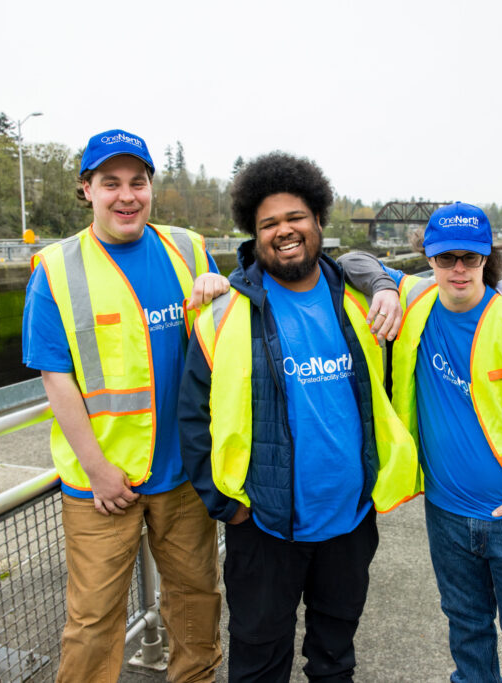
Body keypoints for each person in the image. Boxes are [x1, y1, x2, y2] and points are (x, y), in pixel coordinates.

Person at [177, 151, 420, 682]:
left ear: (317, 222)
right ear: (254, 233)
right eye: (269, 224)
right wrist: (226, 506)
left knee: (335, 659)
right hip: (263, 526)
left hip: (350, 521)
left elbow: (458, 283)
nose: (284, 231)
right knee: (259, 662)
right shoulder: (222, 316)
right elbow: (192, 417)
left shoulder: (364, 300)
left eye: (295, 218)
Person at [339, 203, 502, 682]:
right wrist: (382, 285)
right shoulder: (414, 300)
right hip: (447, 516)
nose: (458, 269)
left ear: (488, 259)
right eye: (445, 258)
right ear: (428, 259)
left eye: (471, 258)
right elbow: (350, 261)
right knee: (466, 629)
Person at [22, 129, 226, 682]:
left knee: (196, 603)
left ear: (152, 188)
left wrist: (221, 289)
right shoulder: (56, 270)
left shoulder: (188, 249)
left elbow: (221, 342)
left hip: (183, 475)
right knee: (92, 623)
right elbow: (56, 376)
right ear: (86, 190)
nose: (127, 195)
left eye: (138, 182)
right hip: (102, 485)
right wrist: (97, 469)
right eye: (110, 183)